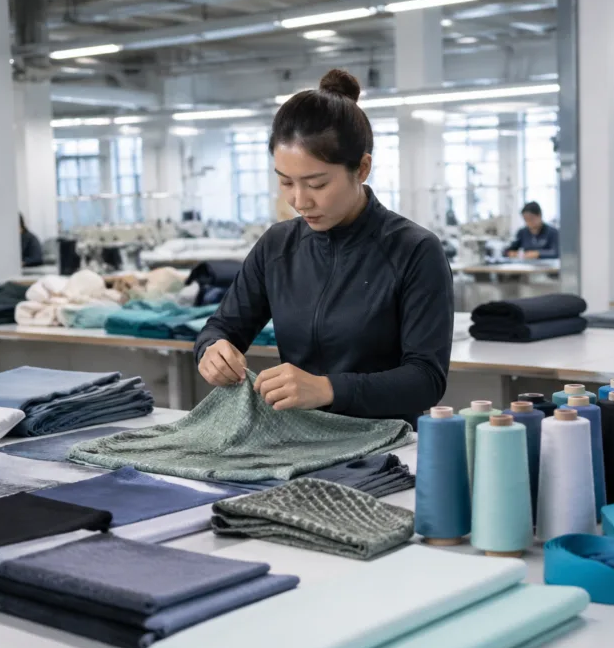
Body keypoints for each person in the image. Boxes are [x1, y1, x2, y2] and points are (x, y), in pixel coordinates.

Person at [194, 69, 454, 426]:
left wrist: (328, 389)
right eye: (286, 182)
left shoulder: (414, 251)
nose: (300, 201)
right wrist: (211, 349)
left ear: (362, 168)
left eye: (316, 184)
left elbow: (426, 380)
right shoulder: (277, 246)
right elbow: (222, 327)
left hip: (385, 443)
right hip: (297, 439)